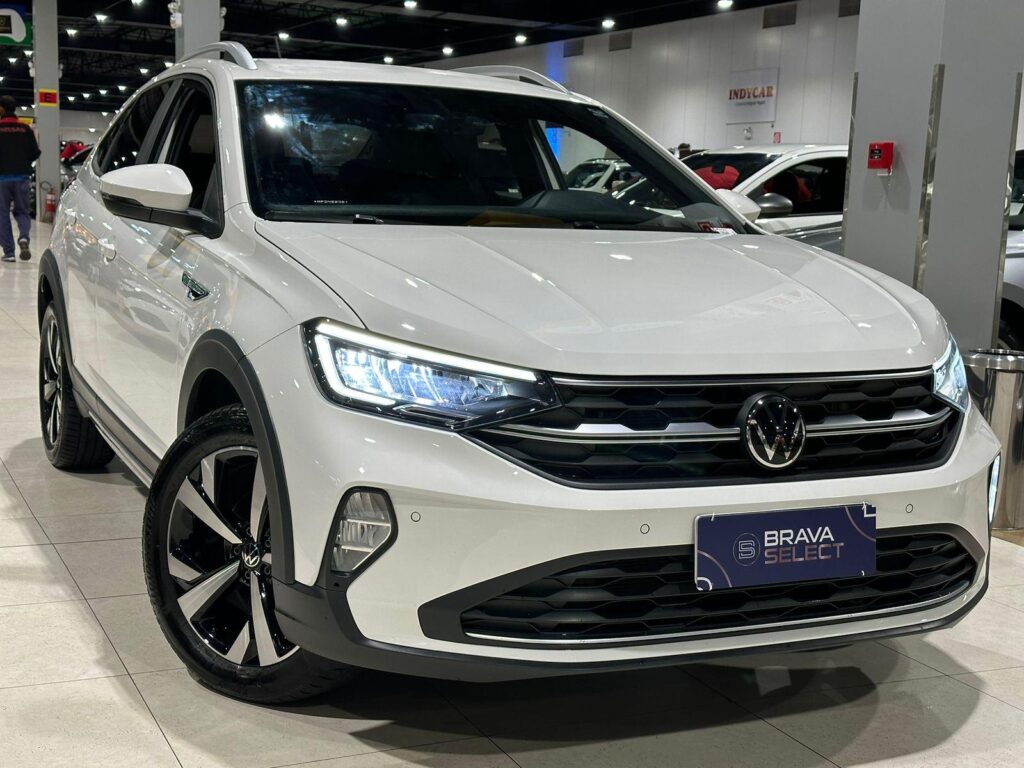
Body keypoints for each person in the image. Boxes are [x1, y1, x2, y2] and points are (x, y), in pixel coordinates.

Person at [0, 95, 40, 262]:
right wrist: (23, 161)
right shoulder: (25, 128)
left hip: (2, 179)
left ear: (2, 109)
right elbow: (35, 152)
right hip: (22, 177)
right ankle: (24, 237)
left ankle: (9, 252)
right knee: (22, 211)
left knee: (2, 214)